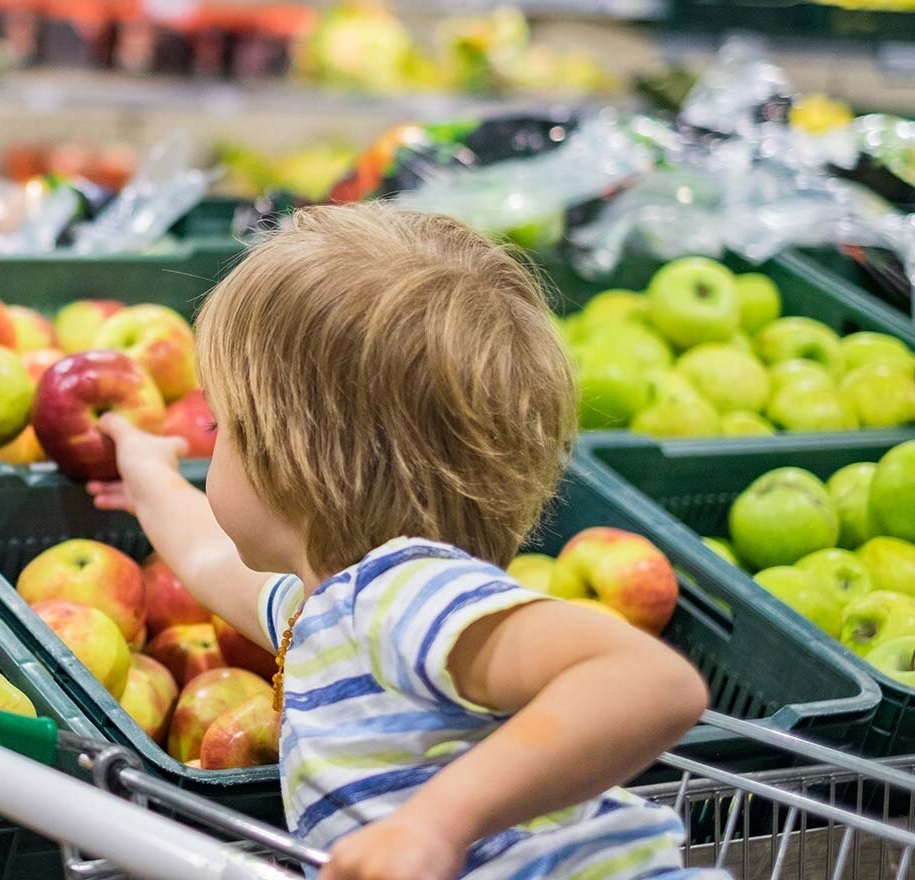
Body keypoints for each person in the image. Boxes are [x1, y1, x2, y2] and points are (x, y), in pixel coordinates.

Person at [88, 204, 715, 880]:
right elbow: (208, 558)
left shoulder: (402, 594)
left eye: (219, 426)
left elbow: (651, 681)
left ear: (290, 460)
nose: (208, 445)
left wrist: (435, 822)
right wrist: (147, 470)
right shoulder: (329, 612)